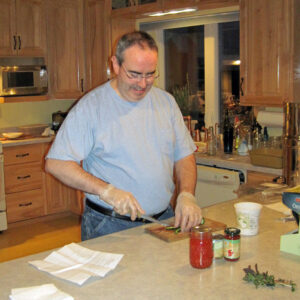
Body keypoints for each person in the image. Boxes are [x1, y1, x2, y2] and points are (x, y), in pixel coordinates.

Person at [45, 31, 202, 241]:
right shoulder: (92, 107)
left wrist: (187, 194)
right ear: (115, 65)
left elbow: (184, 155)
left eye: (150, 74)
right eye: (134, 74)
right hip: (109, 224)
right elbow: (56, 163)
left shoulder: (166, 103)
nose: (143, 83)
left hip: (163, 220)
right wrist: (106, 190)